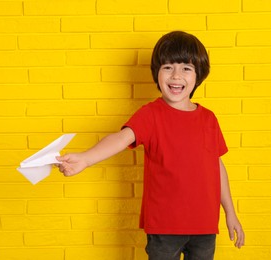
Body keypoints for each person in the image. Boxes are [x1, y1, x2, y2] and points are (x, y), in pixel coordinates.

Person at [57, 31, 245, 260]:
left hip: (205, 226)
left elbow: (217, 167)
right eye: (168, 67)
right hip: (164, 227)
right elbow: (120, 139)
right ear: (157, 73)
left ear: (199, 75)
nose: (176, 76)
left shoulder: (209, 119)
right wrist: (86, 158)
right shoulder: (151, 115)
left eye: (186, 68)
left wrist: (230, 213)